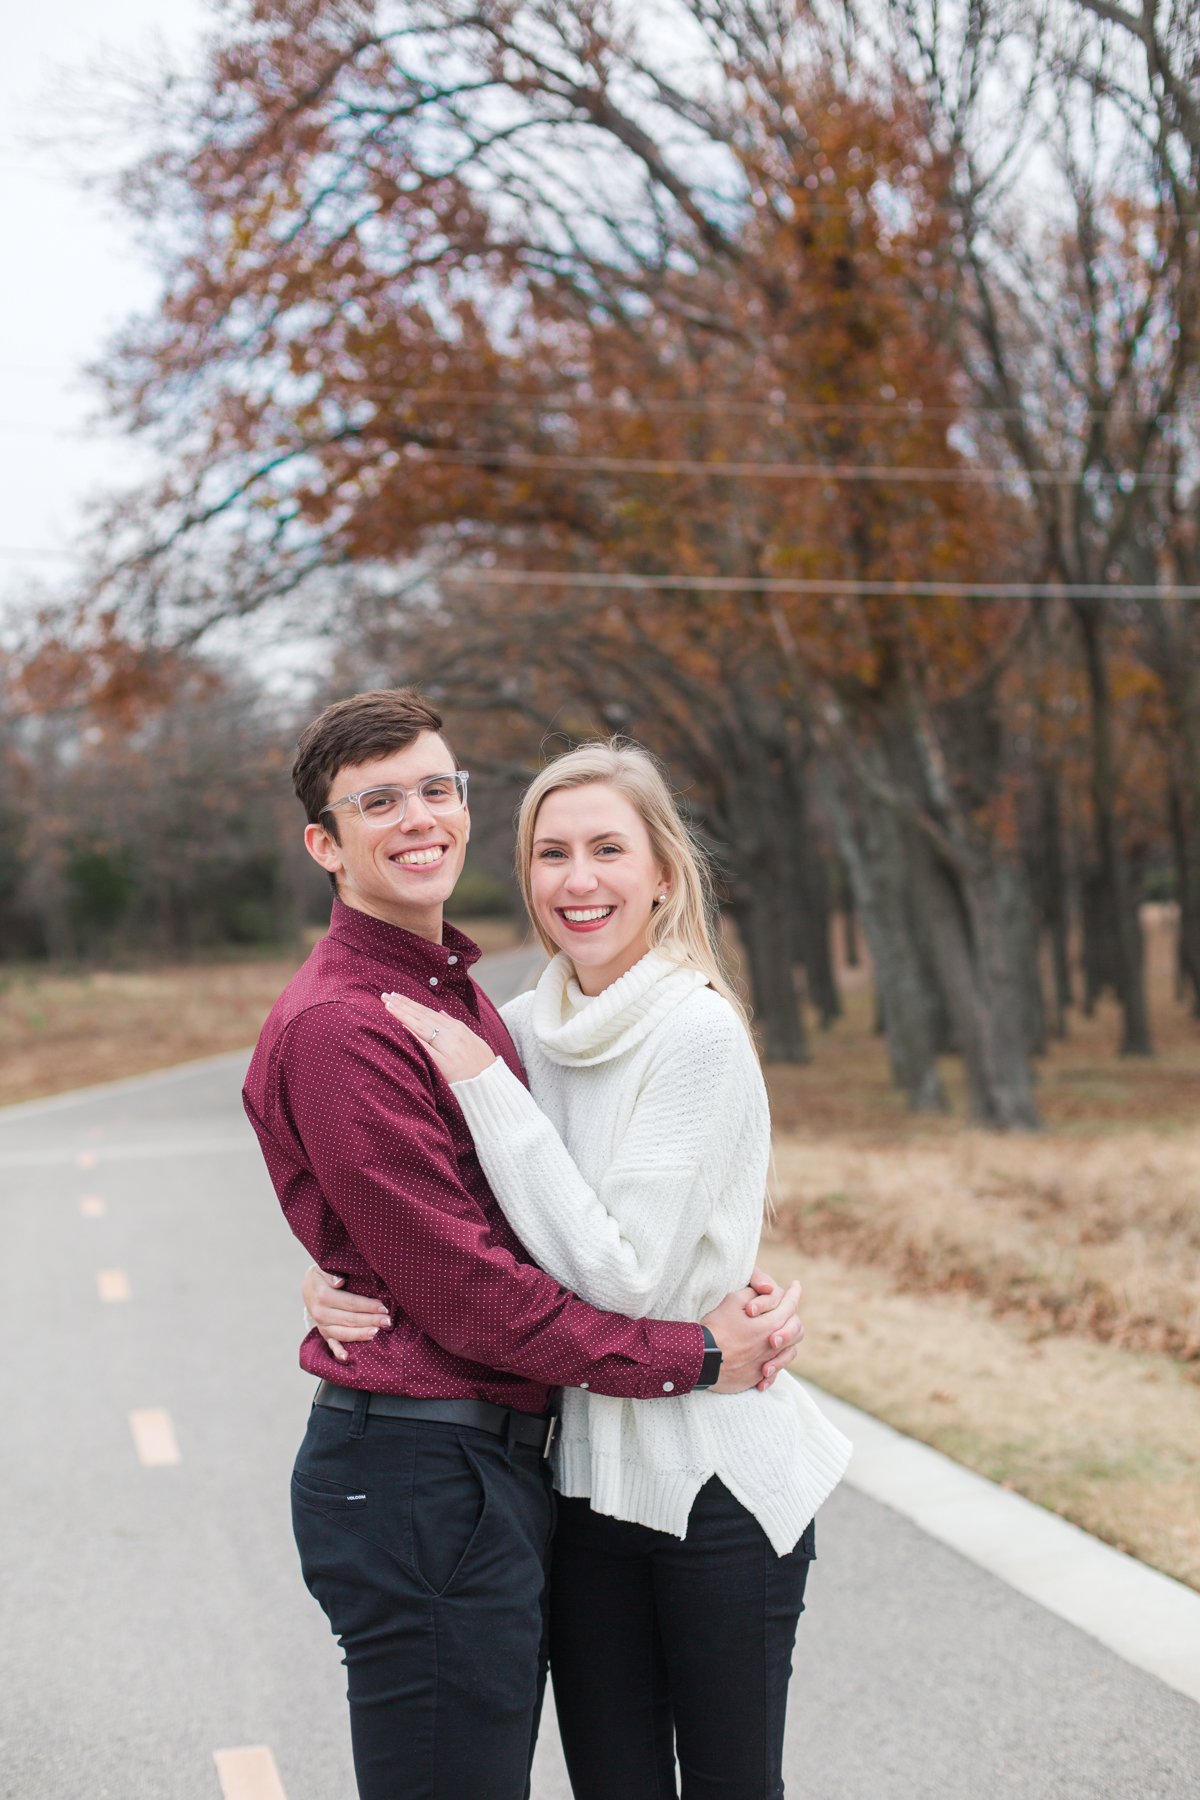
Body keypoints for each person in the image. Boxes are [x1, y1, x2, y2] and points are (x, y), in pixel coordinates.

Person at [243, 688, 806, 1800]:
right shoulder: (367, 1022)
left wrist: (361, 1255)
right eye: (378, 801)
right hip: (435, 1469)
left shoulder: (478, 1009)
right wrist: (692, 1354)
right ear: (326, 842)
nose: (418, 818)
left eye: (437, 790)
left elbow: (523, 1226)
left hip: (519, 1466)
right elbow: (469, 1286)